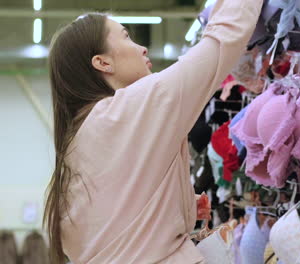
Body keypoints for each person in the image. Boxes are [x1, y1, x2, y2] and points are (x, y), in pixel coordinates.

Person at [43, 0, 263, 263]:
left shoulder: (76, 141)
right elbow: (223, 40)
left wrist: (177, 203)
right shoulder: (131, 109)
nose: (142, 48)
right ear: (102, 62)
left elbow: (114, 221)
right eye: (126, 37)